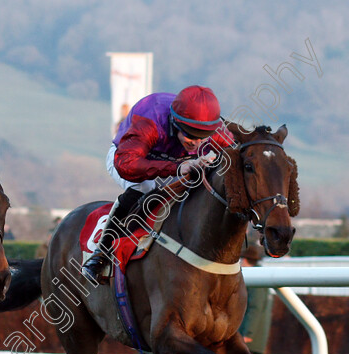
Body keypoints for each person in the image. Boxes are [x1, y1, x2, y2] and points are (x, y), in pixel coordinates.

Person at [81, 85, 235, 282]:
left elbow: (235, 155)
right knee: (144, 187)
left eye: (201, 137)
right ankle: (101, 254)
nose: (195, 142)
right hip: (128, 158)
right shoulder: (151, 118)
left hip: (176, 164)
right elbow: (126, 165)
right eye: (189, 134)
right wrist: (177, 168)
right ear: (175, 122)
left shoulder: (217, 131)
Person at [228, 242, 274, 354]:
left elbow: (254, 308)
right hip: (255, 336)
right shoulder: (260, 276)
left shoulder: (256, 279)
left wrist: (247, 334)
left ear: (246, 260)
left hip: (251, 337)